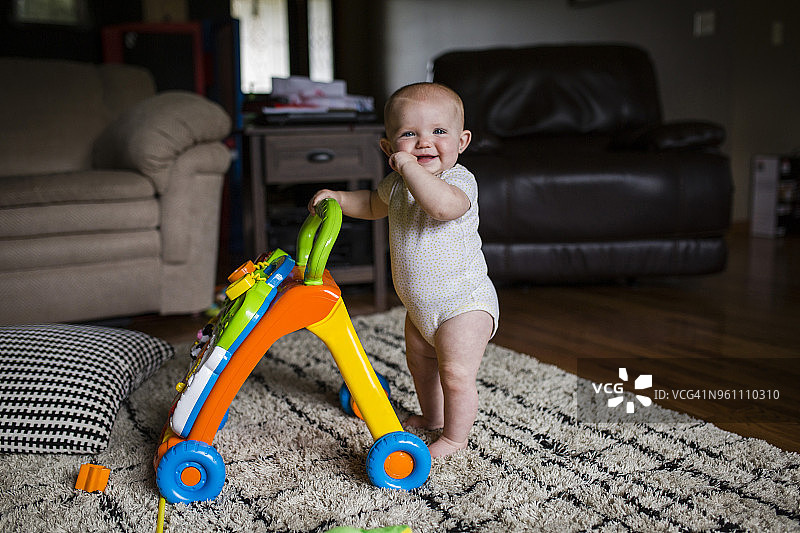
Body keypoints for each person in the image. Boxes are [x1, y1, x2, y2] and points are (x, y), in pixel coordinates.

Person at [308, 82, 499, 458]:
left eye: (439, 132)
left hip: (464, 304)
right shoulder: (395, 185)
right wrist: (339, 198)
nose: (425, 142)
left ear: (462, 141)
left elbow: (441, 208)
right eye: (409, 134)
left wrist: (410, 167)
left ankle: (455, 439)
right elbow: (371, 204)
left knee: (456, 375)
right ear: (388, 148)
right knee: (422, 367)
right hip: (420, 308)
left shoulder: (458, 181)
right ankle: (432, 417)